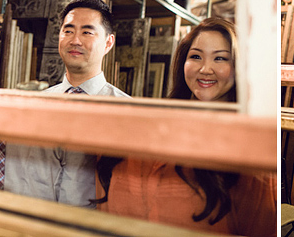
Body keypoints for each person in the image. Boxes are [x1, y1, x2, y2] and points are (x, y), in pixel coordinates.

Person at [93, 17, 276, 236]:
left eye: (220, 58)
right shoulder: (157, 124)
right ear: (182, 63)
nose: (205, 69)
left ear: (239, 69)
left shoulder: (251, 145)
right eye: (196, 56)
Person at [0, 0, 129, 207]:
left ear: (108, 42)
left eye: (87, 32)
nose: (75, 40)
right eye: (68, 31)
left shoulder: (126, 111)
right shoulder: (36, 106)